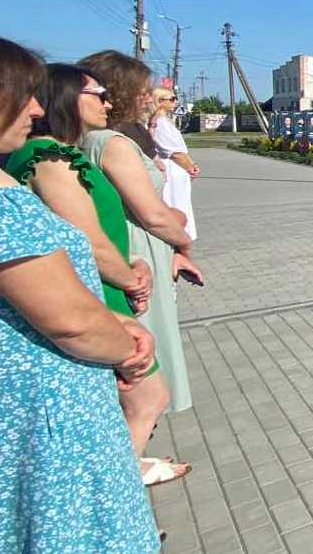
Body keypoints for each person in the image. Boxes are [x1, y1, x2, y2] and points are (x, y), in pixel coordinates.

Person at [0, 28, 160, 552]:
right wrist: (128, 345)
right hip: (46, 415)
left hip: (0, 409)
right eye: (22, 95)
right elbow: (70, 322)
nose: (35, 108)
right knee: (70, 529)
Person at [9, 66, 191, 486]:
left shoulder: (66, 153)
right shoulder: (51, 159)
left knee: (128, 396)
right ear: (65, 97)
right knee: (148, 395)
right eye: (97, 93)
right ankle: (114, 489)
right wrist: (130, 276)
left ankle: (117, 476)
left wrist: (135, 261)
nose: (106, 102)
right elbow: (86, 239)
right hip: (98, 289)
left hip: (108, 279)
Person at [80, 51, 200, 419]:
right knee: (146, 349)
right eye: (142, 90)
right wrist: (183, 241)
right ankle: (136, 434)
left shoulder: (90, 139)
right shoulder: (112, 143)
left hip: (131, 246)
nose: (148, 97)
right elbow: (152, 215)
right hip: (138, 250)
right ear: (118, 91)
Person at [151, 87, 199, 241]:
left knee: (181, 202)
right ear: (160, 102)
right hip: (171, 169)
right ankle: (178, 236)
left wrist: (191, 164)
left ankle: (181, 235)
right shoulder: (159, 122)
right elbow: (174, 152)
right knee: (176, 203)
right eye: (172, 99)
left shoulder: (165, 121)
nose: (176, 101)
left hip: (177, 169)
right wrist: (190, 168)